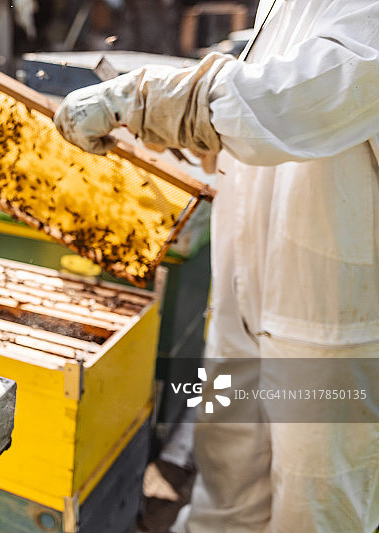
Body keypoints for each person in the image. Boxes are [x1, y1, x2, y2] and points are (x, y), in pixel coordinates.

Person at [53, 1, 379, 531]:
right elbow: (265, 98)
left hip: (334, 313)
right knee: (226, 478)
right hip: (244, 289)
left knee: (316, 507)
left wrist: (150, 99)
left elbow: (313, 94)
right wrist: (200, 138)